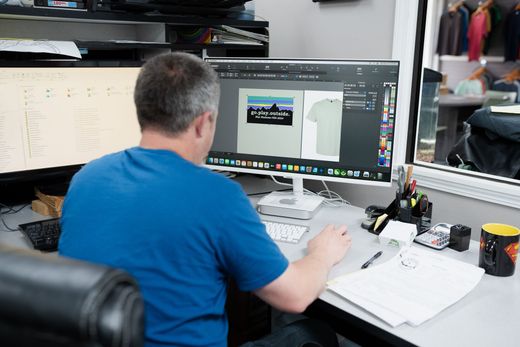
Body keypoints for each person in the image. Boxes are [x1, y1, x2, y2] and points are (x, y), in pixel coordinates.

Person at [59, 52, 352, 347]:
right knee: (314, 333)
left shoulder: (86, 178)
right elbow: (296, 295)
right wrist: (322, 254)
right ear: (203, 123)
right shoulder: (217, 195)